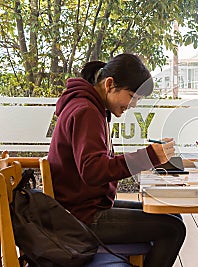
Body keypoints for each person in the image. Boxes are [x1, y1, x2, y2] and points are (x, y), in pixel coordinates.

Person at [47, 53, 185, 267]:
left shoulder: (89, 107)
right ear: (110, 84)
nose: (133, 105)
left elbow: (97, 164)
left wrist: (150, 156)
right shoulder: (86, 111)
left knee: (172, 216)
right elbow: (93, 171)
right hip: (80, 218)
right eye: (132, 96)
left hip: (82, 209)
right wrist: (149, 156)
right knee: (174, 229)